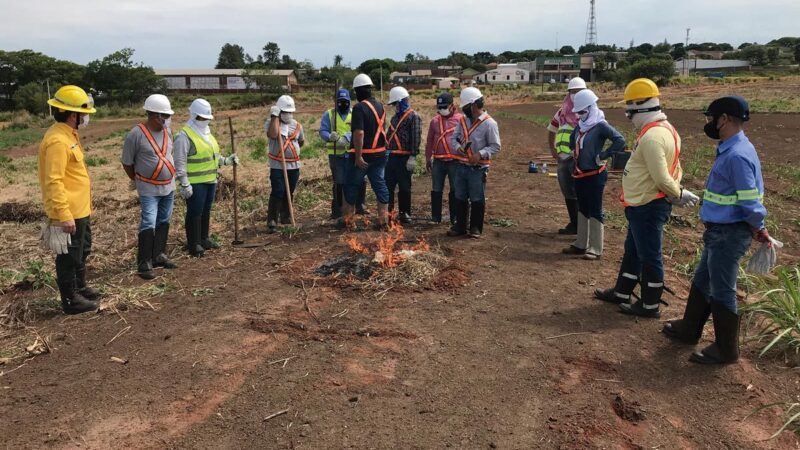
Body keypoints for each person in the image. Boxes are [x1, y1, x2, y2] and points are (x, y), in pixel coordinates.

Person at [663, 96, 770, 365]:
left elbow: (749, 200)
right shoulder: (733, 148)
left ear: (723, 119)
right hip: (719, 232)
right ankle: (689, 329)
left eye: (711, 118)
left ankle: (726, 350)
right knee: (703, 279)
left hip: (729, 233)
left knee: (722, 289)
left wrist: (759, 226)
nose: (709, 123)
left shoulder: (736, 155)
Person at [594, 78, 700, 318]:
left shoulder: (653, 137)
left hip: (648, 206)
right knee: (633, 250)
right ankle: (622, 291)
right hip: (641, 204)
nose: (628, 115)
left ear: (641, 106)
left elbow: (663, 177)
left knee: (649, 255)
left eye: (629, 109)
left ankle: (649, 304)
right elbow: (676, 169)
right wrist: (675, 192)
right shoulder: (665, 131)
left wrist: (677, 193)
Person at [38, 85, 99, 314]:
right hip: (69, 211)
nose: (85, 118)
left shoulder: (68, 134)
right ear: (73, 114)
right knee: (68, 256)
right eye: (83, 114)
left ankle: (80, 287)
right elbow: (54, 181)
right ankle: (71, 300)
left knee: (82, 250)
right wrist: (63, 215)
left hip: (80, 209)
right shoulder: (57, 141)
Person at [561, 89, 625, 260]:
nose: (579, 115)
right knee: (582, 208)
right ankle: (581, 243)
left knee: (595, 209)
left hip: (595, 175)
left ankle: (595, 248)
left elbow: (620, 140)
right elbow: (571, 142)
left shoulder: (600, 125)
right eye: (578, 112)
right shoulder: (580, 126)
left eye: (582, 112)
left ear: (591, 108)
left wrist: (603, 155)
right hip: (580, 174)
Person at [173, 98, 239, 257]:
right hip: (195, 183)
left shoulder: (208, 133)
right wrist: (184, 183)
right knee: (195, 212)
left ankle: (204, 239)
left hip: (210, 180)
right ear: (194, 116)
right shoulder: (184, 135)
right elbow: (179, 162)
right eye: (202, 118)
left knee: (206, 210)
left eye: (207, 118)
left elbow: (213, 156)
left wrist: (226, 160)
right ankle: (194, 244)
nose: (205, 121)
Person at [122, 94, 177, 280]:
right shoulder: (136, 134)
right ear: (154, 115)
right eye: (165, 116)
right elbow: (127, 162)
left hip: (168, 186)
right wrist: (137, 179)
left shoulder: (167, 131)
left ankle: (158, 254)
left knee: (164, 220)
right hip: (148, 188)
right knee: (148, 222)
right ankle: (144, 262)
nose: (168, 119)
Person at [447, 86, 501, 239]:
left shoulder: (490, 123)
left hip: (478, 168)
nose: (464, 111)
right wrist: (458, 148)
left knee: (477, 197)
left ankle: (475, 227)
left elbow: (496, 146)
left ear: (474, 105)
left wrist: (480, 154)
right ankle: (460, 226)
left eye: (466, 107)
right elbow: (454, 138)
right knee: (460, 196)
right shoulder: (463, 121)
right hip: (461, 165)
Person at [340, 73, 390, 230]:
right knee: (380, 184)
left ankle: (349, 221)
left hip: (364, 155)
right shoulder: (380, 106)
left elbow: (359, 133)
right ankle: (384, 220)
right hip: (380, 154)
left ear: (358, 91)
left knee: (351, 186)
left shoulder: (359, 108)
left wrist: (359, 155)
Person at [546, 77, 586, 235]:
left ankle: (582, 227)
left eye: (579, 91)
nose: (575, 94)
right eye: (573, 91)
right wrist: (553, 150)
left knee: (581, 191)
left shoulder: (588, 112)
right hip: (563, 157)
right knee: (567, 191)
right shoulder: (562, 111)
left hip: (580, 158)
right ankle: (574, 223)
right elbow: (551, 129)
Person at [266, 95, 304, 233]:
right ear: (279, 111)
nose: (287, 115)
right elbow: (273, 134)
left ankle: (286, 216)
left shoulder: (297, 125)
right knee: (278, 191)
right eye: (284, 112)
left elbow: (301, 141)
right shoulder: (271, 123)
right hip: (277, 165)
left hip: (294, 165)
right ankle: (272, 220)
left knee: (290, 190)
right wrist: (274, 117)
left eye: (290, 112)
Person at [385, 86, 422, 224]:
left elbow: (416, 138)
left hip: (405, 157)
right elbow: (389, 135)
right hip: (392, 157)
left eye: (395, 104)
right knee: (388, 186)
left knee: (404, 186)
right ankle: (389, 213)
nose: (394, 107)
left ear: (401, 102)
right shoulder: (395, 118)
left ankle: (404, 213)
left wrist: (413, 156)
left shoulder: (414, 117)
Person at [425, 92, 463, 224]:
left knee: (455, 189)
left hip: (455, 161)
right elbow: (429, 140)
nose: (442, 110)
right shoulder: (434, 121)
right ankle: (436, 217)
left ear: (452, 105)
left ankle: (455, 218)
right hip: (438, 161)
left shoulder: (460, 120)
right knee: (436, 188)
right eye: (439, 107)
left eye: (444, 107)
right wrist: (428, 157)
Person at [319, 88, 354, 219]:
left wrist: (348, 137)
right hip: (335, 155)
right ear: (336, 102)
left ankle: (354, 207)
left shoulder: (354, 113)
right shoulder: (329, 114)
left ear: (349, 101)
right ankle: (337, 210)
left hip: (351, 153)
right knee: (339, 182)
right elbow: (322, 131)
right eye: (340, 102)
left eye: (345, 102)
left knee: (353, 181)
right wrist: (330, 136)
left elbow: (358, 129)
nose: (343, 104)